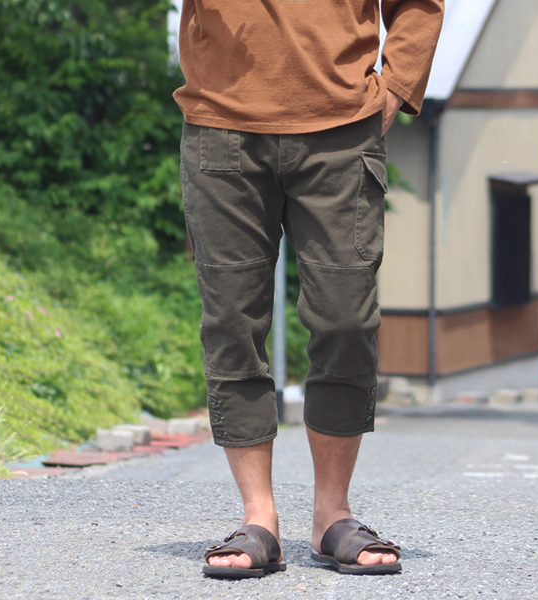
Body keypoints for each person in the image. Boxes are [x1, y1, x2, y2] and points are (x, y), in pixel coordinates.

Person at [173, 0, 443, 579]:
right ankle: (258, 516)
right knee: (232, 322)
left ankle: (332, 514)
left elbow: (419, 6)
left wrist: (395, 86)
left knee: (347, 320)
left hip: (342, 129)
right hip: (222, 123)